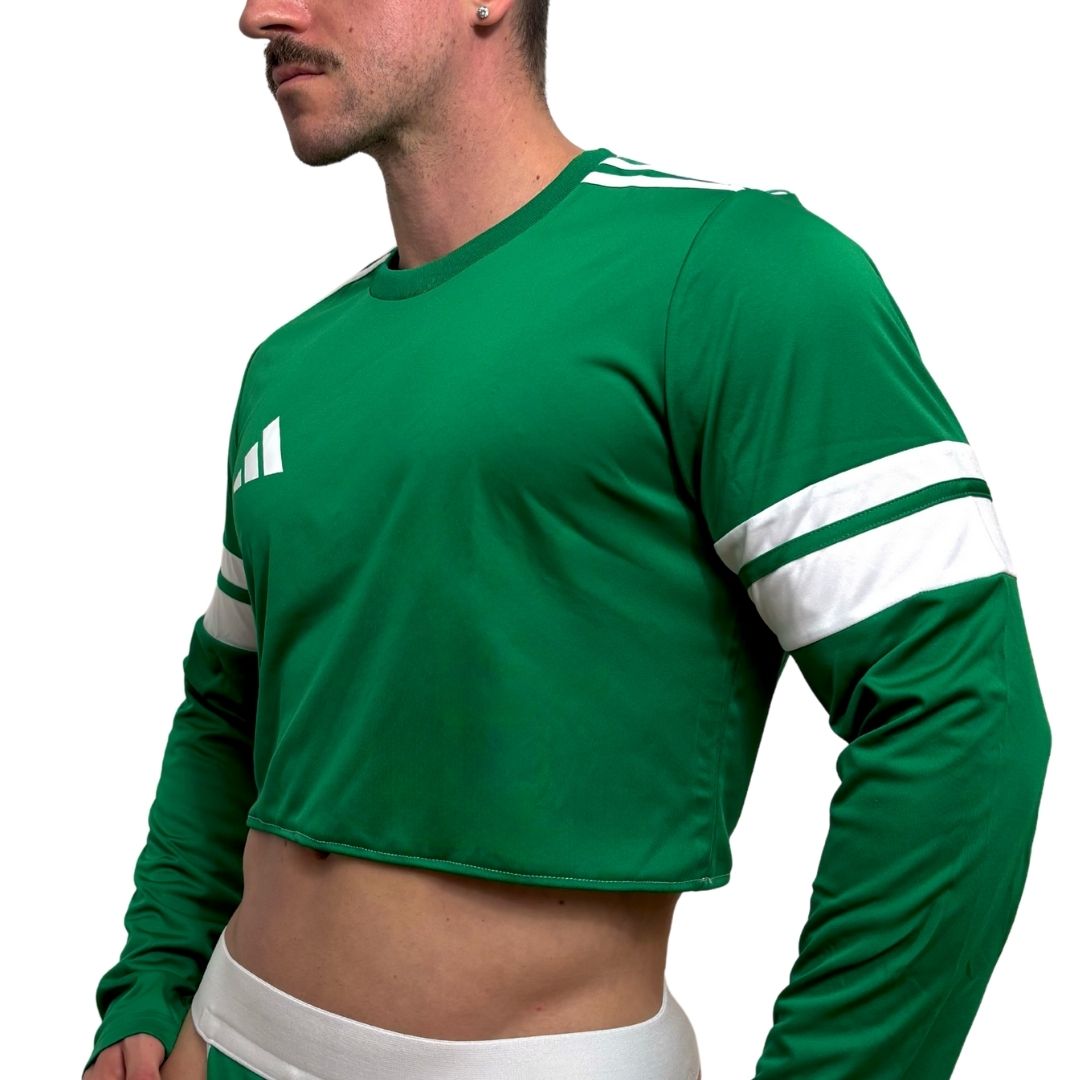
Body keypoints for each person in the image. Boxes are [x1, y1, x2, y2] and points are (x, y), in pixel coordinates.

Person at [82, 2, 1052, 1079]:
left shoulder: (734, 276)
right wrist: (152, 982)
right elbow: (229, 707)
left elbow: (960, 720)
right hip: (222, 1038)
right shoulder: (289, 366)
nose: (258, 13)